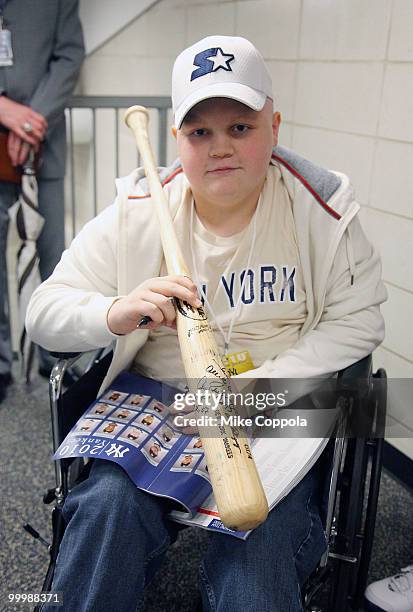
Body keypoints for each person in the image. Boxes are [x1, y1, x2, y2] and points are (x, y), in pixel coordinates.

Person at [26, 35, 387, 612]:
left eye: (240, 128)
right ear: (177, 140)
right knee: (105, 512)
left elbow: (359, 321)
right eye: (201, 133)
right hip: (159, 399)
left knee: (259, 546)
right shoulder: (139, 210)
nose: (220, 148)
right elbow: (43, 313)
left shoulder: (322, 206)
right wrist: (113, 312)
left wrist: (262, 390)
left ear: (274, 125)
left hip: (281, 398)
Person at [0, 0, 84, 403]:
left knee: (56, 259)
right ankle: (1, 365)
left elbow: (69, 55)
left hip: (43, 143)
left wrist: (31, 120)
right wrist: (4, 110)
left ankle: (55, 360)